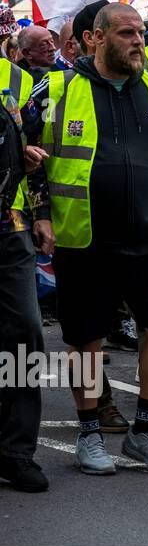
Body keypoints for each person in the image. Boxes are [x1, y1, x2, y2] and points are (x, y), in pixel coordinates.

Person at [25, 3, 148, 476]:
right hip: (86, 240)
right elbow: (25, 154)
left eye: (141, 33)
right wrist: (40, 213)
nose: (138, 41)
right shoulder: (56, 89)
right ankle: (89, 432)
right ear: (94, 40)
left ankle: (144, 430)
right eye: (126, 33)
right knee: (86, 340)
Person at [0, 71, 49, 491]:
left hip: (8, 225)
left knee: (26, 331)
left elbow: (28, 139)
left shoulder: (15, 78)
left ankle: (17, 451)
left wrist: (24, 155)